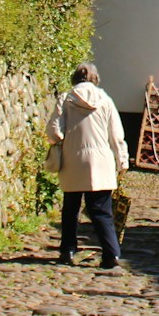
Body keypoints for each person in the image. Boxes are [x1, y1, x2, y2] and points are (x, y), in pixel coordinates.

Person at [49, 62, 130, 269]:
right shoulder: (106, 100)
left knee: (70, 209)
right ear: (96, 79)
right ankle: (111, 253)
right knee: (101, 210)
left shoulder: (66, 99)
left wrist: (61, 142)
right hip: (101, 162)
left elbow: (54, 132)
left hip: (73, 160)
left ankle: (67, 250)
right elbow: (116, 135)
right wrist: (122, 161)